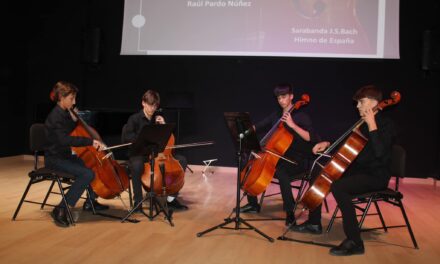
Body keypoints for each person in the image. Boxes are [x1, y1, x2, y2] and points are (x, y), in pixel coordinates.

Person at [291, 85, 396, 256]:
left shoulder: (386, 124)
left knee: (339, 187)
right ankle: (314, 222)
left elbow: (380, 154)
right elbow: (348, 145)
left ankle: (355, 241)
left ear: (374, 103)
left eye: (361, 102)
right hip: (358, 170)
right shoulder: (361, 124)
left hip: (376, 175)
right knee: (319, 167)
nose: (357, 106)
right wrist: (328, 144)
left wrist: (372, 126)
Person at [239, 83, 319, 226]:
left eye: (284, 97)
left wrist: (293, 125)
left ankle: (289, 213)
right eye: (278, 98)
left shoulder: (301, 116)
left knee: (281, 172)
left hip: (296, 160)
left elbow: (311, 138)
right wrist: (247, 130)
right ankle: (253, 204)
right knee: (247, 159)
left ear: (291, 97)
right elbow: (261, 124)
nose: (281, 101)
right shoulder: (276, 114)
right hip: (277, 156)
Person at [44, 81, 109, 228]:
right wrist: (90, 141)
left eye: (74, 98)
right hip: (54, 159)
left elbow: (67, 132)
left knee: (92, 168)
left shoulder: (65, 114)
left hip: (65, 156)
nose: (74, 102)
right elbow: (64, 139)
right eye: (71, 98)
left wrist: (74, 121)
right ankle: (61, 208)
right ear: (61, 97)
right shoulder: (55, 117)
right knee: (86, 174)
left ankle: (90, 201)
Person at [123, 90, 188, 211]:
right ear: (143, 103)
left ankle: (171, 199)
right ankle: (138, 201)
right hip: (140, 153)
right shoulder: (134, 119)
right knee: (136, 165)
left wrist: (164, 126)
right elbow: (127, 137)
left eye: (155, 106)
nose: (152, 108)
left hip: (157, 154)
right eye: (150, 105)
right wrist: (141, 138)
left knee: (182, 161)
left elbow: (170, 140)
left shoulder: (158, 119)